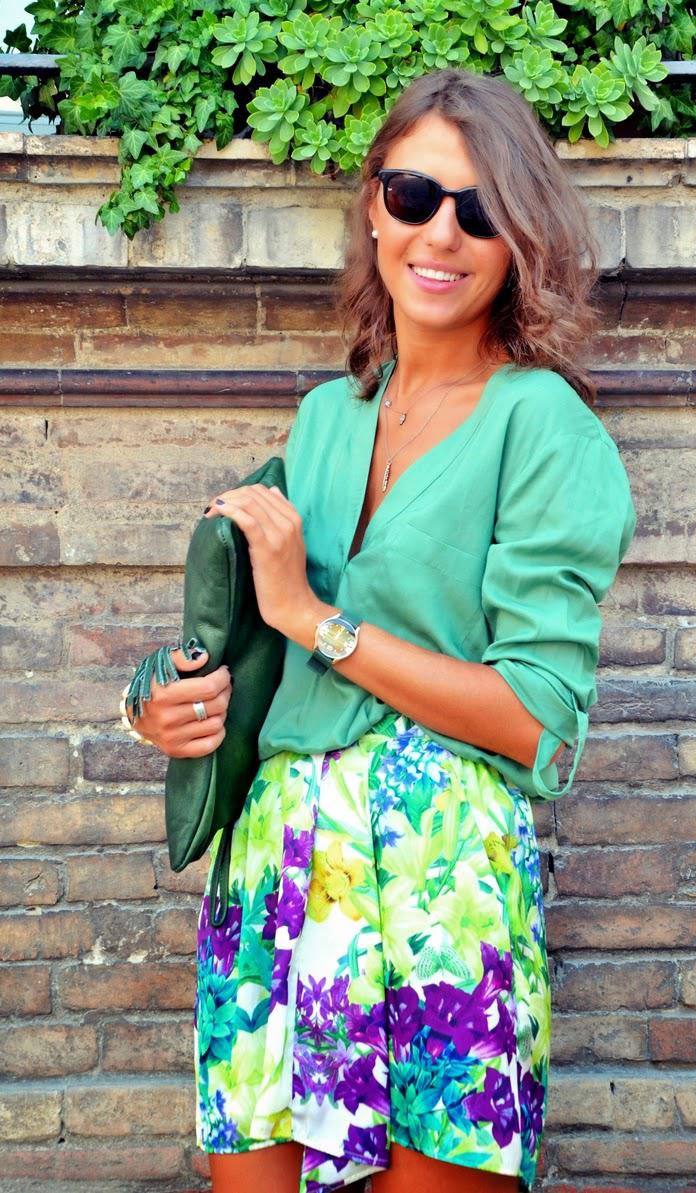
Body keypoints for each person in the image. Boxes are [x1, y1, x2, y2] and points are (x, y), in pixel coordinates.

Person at [127, 68, 635, 1193]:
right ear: (373, 206)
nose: (440, 233)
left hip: (441, 880)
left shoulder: (542, 426)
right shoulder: (324, 417)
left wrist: (321, 622)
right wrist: (161, 702)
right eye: (414, 195)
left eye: (480, 210)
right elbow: (242, 634)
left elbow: (538, 720)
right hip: (274, 875)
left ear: (519, 237)